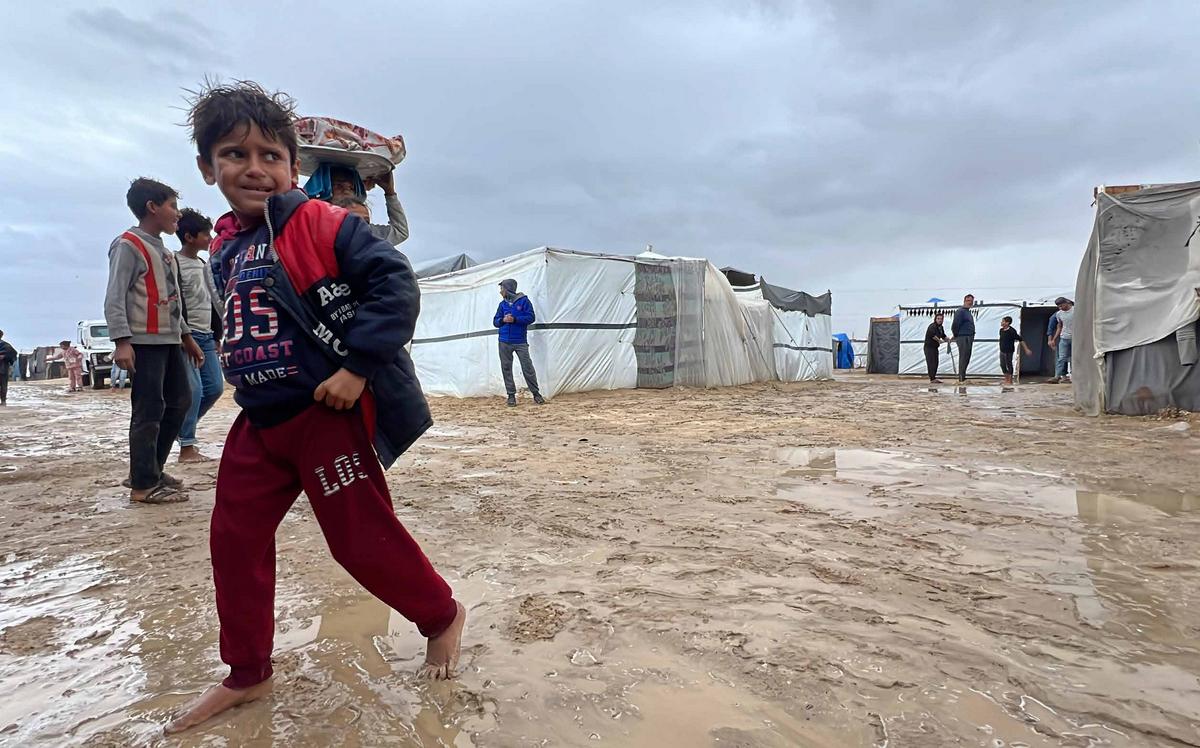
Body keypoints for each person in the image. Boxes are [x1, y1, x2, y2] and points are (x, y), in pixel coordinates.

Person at [166, 81, 465, 734]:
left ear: (293, 165)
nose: (255, 168)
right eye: (234, 153)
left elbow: (394, 283)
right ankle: (248, 673)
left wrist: (358, 367)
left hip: (326, 419)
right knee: (232, 540)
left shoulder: (318, 222)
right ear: (205, 168)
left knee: (359, 541)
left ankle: (441, 615)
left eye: (271, 155)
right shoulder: (225, 245)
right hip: (260, 421)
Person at [104, 177, 204, 504]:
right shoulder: (128, 244)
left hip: (169, 341)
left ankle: (149, 470)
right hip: (144, 342)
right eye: (172, 206)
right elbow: (115, 295)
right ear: (152, 207)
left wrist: (187, 337)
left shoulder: (165, 251)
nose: (178, 214)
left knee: (180, 401)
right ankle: (143, 486)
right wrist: (121, 340)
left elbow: (173, 300)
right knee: (148, 409)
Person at [175, 208, 225, 463]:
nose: (210, 238)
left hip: (207, 336)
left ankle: (180, 427)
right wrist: (186, 337)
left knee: (215, 388)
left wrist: (218, 334)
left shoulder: (204, 265)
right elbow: (174, 304)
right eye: (206, 233)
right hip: (186, 337)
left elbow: (214, 301)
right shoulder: (172, 263)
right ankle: (187, 446)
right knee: (192, 391)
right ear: (189, 236)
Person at [493, 279, 545, 407]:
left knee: (527, 367)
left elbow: (530, 317)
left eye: (502, 289)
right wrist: (503, 320)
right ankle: (511, 395)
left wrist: (515, 319)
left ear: (508, 289)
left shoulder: (524, 301)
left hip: (520, 341)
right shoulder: (502, 305)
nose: (501, 292)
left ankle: (536, 393)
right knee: (506, 368)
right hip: (504, 341)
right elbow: (495, 321)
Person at [330, 167, 409, 245]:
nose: (346, 190)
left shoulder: (368, 236)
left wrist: (390, 192)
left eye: (351, 188)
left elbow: (400, 232)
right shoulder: (324, 231)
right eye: (339, 185)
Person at [998, 316, 1032, 386]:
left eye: (1003, 321)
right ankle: (1006, 379)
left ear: (1007, 323)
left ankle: (1010, 381)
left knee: (1009, 364)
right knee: (1002, 365)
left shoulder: (1012, 331)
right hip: (1002, 350)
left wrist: (1026, 349)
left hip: (1009, 351)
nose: (1001, 323)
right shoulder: (1001, 330)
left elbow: (1020, 340)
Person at [950, 293, 976, 383]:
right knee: (963, 356)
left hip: (969, 336)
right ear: (964, 301)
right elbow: (955, 324)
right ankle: (961, 378)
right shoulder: (960, 311)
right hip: (962, 337)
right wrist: (956, 335)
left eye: (971, 301)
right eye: (968, 301)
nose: (970, 303)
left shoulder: (968, 312)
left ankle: (963, 376)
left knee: (967, 356)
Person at [1049, 297, 1074, 384]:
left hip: (1075, 337)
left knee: (1073, 358)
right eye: (1059, 306)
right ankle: (1057, 376)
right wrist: (1054, 338)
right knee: (1061, 357)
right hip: (1064, 337)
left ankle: (1073, 376)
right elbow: (1059, 326)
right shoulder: (1059, 314)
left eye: (1061, 305)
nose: (1061, 308)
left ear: (1066, 303)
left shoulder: (1075, 311)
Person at [923, 312, 948, 383]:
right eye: (938, 319)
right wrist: (939, 341)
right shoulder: (932, 326)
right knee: (931, 362)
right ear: (935, 319)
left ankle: (933, 377)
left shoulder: (941, 327)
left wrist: (949, 340)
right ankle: (932, 378)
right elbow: (933, 335)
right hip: (928, 347)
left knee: (936, 362)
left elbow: (943, 336)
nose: (940, 320)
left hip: (935, 348)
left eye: (941, 319)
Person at [0, 330, 16, 405]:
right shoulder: (6, 345)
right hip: (3, 369)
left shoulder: (5, 345)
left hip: (2, 368)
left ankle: (3, 401)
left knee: (3, 385)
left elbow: (12, 354)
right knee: (3, 385)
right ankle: (3, 401)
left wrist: (4, 356)